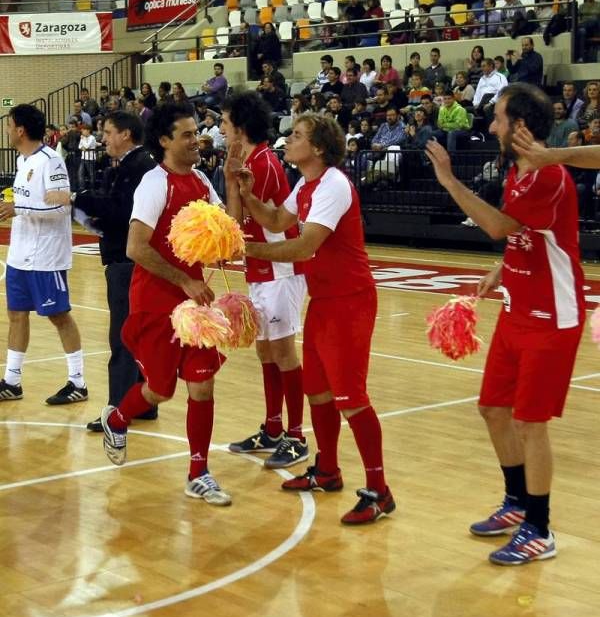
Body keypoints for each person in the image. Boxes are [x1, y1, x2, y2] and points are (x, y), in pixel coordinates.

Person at [426, 83, 585, 565]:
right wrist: (502, 268)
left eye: (496, 117)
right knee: (493, 408)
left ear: (518, 126)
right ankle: (517, 503)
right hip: (518, 311)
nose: (490, 125)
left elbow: (497, 227)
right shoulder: (520, 171)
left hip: (552, 317)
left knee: (529, 422)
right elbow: (522, 233)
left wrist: (450, 181)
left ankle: (540, 528)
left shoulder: (547, 175)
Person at [228, 113, 395, 525]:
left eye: (298, 135)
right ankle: (328, 470)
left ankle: (379, 490)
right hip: (323, 299)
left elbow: (303, 246)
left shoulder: (334, 184)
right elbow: (275, 221)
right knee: (317, 392)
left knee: (351, 399)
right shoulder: (305, 184)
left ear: (318, 147)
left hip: (350, 301)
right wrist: (247, 196)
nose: (289, 139)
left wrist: (246, 251)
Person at [100, 102, 233, 506]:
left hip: (194, 304)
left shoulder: (202, 181)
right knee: (160, 390)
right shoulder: (155, 184)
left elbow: (224, 228)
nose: (197, 140)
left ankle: (199, 472)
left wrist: (232, 191)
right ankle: (118, 418)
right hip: (157, 302)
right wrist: (184, 280)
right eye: (188, 135)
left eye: (197, 133)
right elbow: (135, 247)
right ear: (164, 141)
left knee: (202, 385)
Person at [46, 111, 157, 432]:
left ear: (125, 134)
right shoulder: (133, 165)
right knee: (136, 335)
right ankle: (143, 403)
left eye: (108, 132)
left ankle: (118, 411)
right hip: (127, 259)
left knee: (123, 336)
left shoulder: (138, 167)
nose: (104, 138)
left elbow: (122, 211)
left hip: (128, 262)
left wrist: (78, 198)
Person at [220, 91, 308, 469]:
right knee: (265, 351)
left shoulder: (266, 162)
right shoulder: (246, 161)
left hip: (281, 270)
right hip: (260, 268)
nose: (221, 130)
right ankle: (273, 428)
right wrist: (228, 177)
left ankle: (297, 436)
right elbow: (235, 219)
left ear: (239, 128)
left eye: (225, 124)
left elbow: (271, 217)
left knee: (284, 353)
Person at [0, 104, 88, 405]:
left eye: (10, 125)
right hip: (20, 254)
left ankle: (78, 382)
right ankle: (12, 381)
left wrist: (18, 209)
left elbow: (62, 207)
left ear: (20, 129)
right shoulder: (23, 160)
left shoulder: (51, 162)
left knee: (58, 315)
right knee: (16, 315)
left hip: (46, 256)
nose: (8, 130)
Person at [78, 123, 97, 189]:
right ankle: (82, 187)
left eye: (83, 130)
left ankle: (92, 188)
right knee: (80, 173)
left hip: (90, 158)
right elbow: (79, 146)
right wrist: (83, 147)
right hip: (83, 158)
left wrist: (83, 140)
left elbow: (87, 146)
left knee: (91, 174)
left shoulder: (92, 138)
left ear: (88, 130)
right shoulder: (83, 137)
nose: (82, 131)